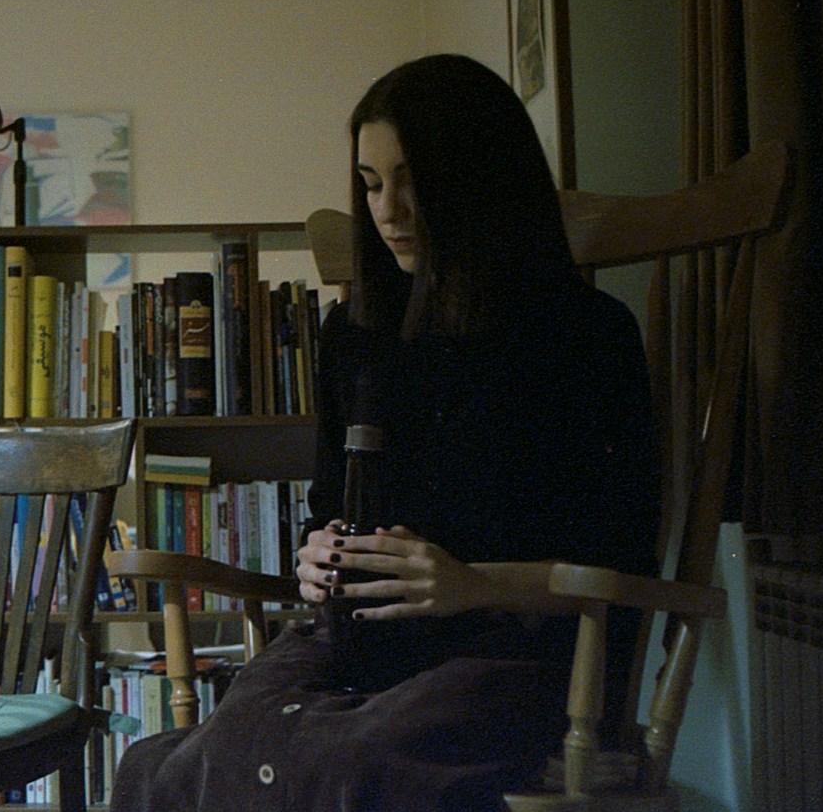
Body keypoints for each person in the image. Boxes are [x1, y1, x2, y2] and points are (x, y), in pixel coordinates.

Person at [108, 54, 660, 812]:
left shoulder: (589, 335)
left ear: (478, 176)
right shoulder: (357, 331)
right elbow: (329, 500)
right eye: (370, 184)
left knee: (343, 759)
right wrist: (314, 554)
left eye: (412, 179)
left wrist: (476, 581)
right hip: (359, 640)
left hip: (510, 649)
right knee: (162, 763)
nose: (389, 209)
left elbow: (626, 556)